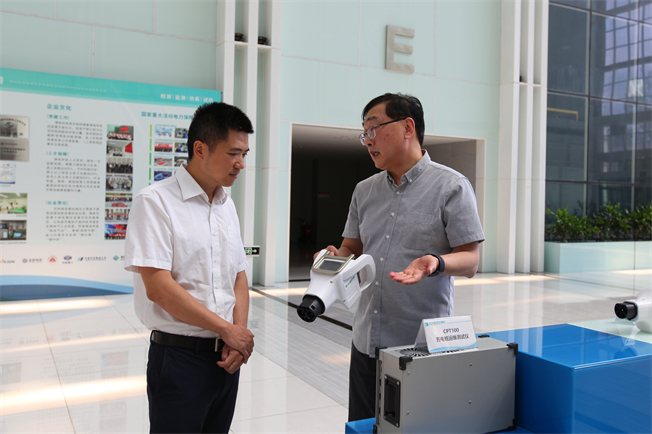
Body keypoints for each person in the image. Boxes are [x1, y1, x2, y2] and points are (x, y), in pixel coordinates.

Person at [318, 93, 485, 422]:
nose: (368, 140)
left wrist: (435, 262)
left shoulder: (451, 186)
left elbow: (470, 260)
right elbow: (351, 248)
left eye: (374, 128)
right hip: (366, 342)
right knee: (364, 426)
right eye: (364, 133)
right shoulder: (364, 190)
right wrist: (335, 256)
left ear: (408, 127)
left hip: (420, 347)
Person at [124, 102, 255, 433]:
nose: (241, 164)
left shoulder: (226, 205)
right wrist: (227, 329)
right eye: (233, 153)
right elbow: (158, 287)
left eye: (244, 154)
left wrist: (237, 335)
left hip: (226, 358)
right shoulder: (155, 202)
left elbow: (238, 277)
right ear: (200, 149)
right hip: (179, 359)